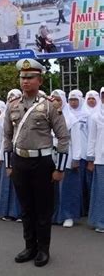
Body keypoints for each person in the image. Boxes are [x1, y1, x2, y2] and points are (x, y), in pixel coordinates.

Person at [3, 59, 69, 267]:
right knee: (26, 208)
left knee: (43, 208)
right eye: (22, 77)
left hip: (42, 163)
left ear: (40, 80)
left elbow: (63, 137)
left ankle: (43, 249)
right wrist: (8, 164)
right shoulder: (12, 105)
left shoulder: (50, 105)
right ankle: (29, 247)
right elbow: (6, 136)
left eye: (30, 77)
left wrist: (59, 168)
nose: (25, 81)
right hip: (20, 161)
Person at [50, 90, 82, 228]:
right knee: (52, 189)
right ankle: (54, 215)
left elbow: (77, 141)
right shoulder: (48, 117)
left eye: (58, 99)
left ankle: (68, 215)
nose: (56, 102)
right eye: (53, 99)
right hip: (51, 157)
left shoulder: (71, 120)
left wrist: (76, 158)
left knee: (67, 189)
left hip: (67, 158)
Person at [0, 90, 22, 221]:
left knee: (19, 184)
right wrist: (0, 155)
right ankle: (6, 211)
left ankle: (18, 212)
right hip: (7, 152)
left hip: (19, 152)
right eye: (10, 98)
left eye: (15, 98)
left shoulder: (23, 114)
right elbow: (3, 138)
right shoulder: (3, 116)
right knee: (7, 183)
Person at [87, 87, 104, 233]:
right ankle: (100, 221)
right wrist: (91, 158)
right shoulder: (95, 116)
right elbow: (91, 139)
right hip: (101, 159)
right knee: (101, 191)